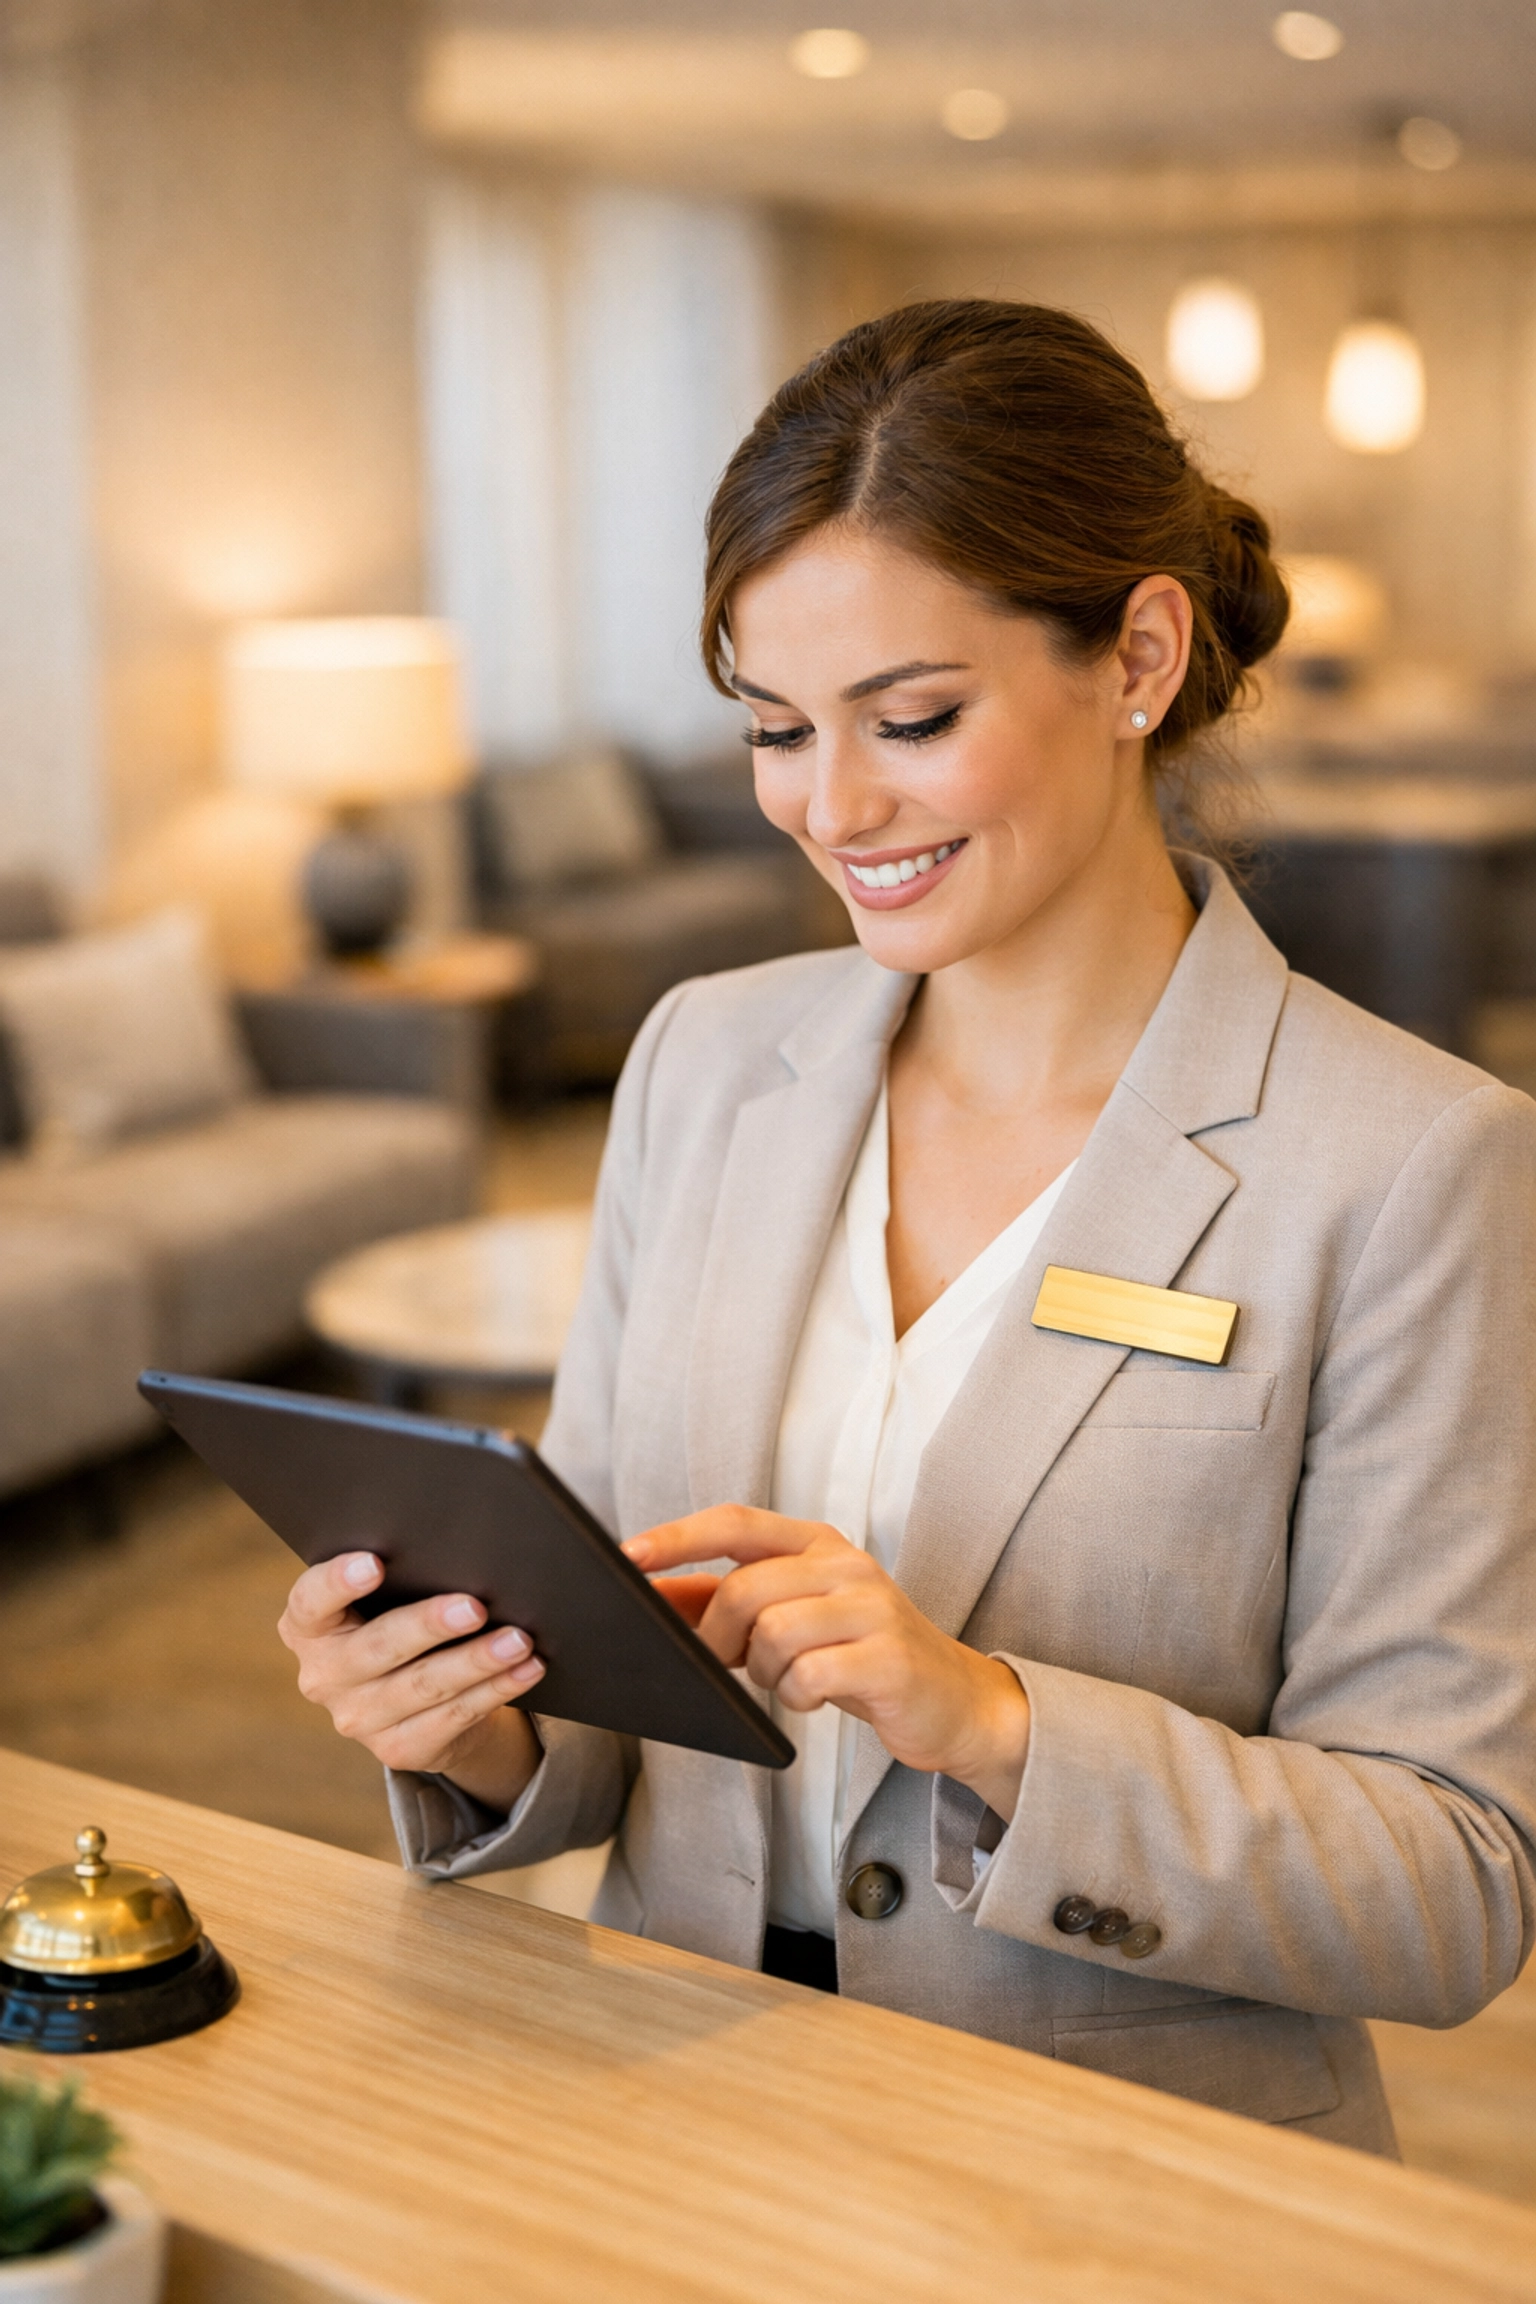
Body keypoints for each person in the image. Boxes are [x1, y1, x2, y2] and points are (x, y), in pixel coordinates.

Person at [279, 300, 1536, 2154]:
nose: (835, 806)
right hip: (676, 2116)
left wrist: (992, 1719)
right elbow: (619, 1676)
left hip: (1121, 2176)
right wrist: (469, 1718)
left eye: (916, 719)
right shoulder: (703, 1062)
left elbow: (1450, 1883)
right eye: (777, 730)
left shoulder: (1415, 1164)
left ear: (1139, 656)